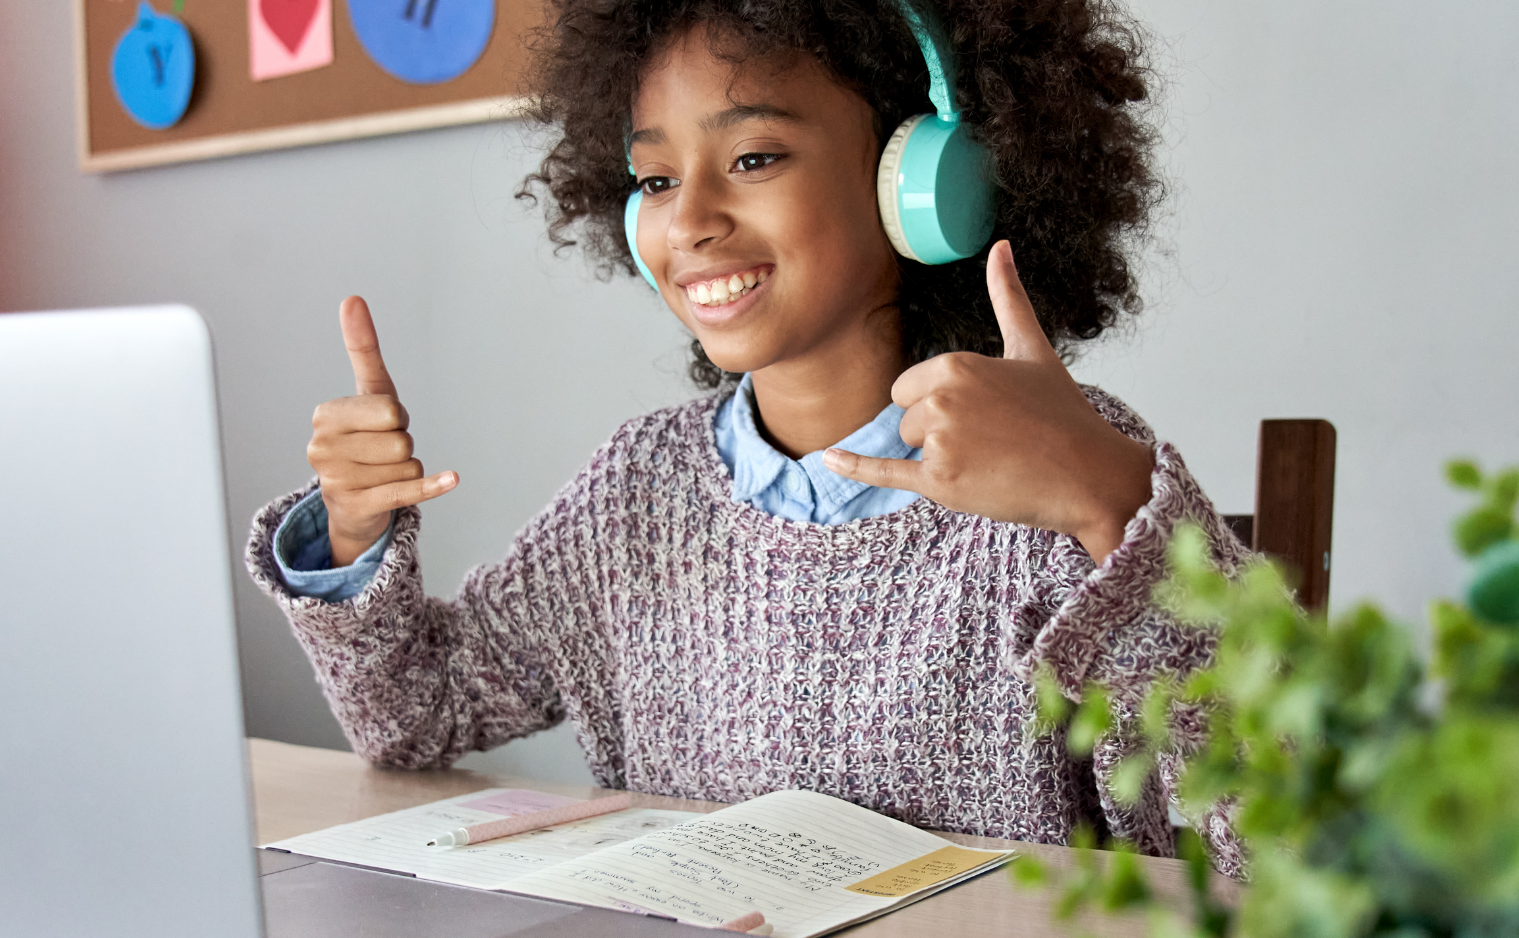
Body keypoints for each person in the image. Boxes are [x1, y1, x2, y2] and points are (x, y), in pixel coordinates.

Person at [245, 0, 1248, 868]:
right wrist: (348, 534)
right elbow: (414, 717)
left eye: (754, 157)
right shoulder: (635, 492)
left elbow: (1274, 834)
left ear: (923, 181)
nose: (690, 221)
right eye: (654, 180)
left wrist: (1112, 502)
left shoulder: (1062, 471)